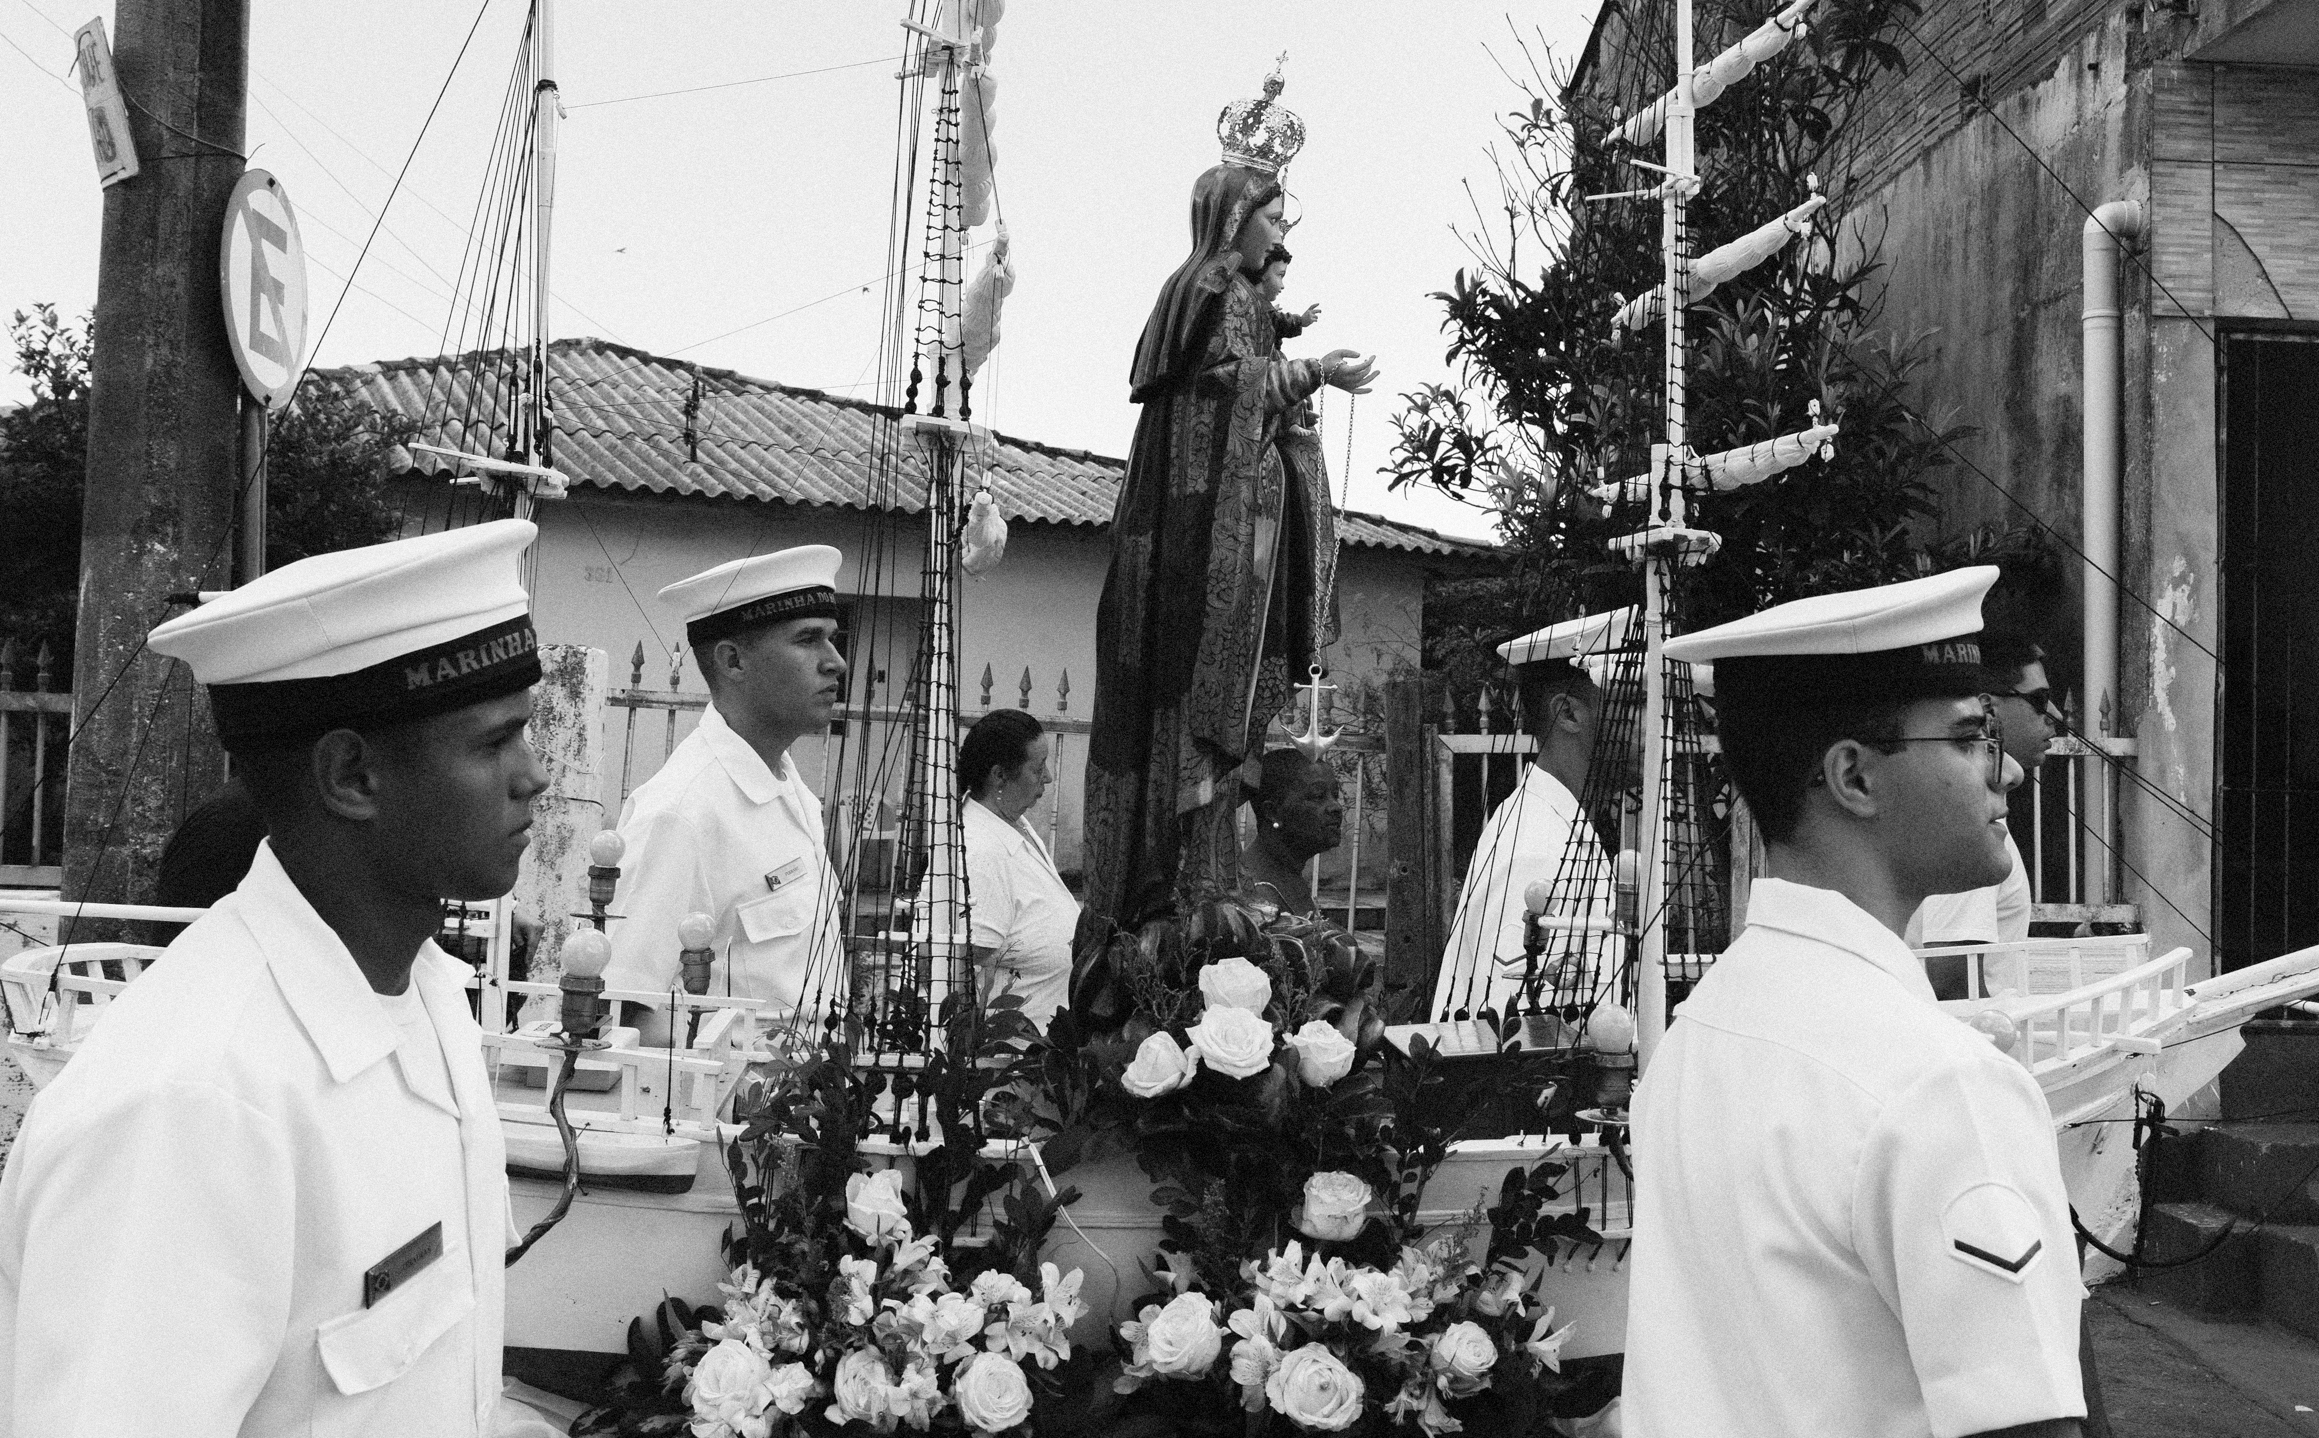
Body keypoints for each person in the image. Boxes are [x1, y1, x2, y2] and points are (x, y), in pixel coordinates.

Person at [0, 520, 549, 1436]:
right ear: (352, 777)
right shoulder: (194, 1105)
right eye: (495, 742)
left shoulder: (424, 995)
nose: (535, 776)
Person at [1629, 566, 2087, 1438]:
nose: (2004, 772)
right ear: (1854, 778)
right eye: (1968, 736)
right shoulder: (1938, 1086)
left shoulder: (1701, 1032)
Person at [1082, 154, 1376, 930]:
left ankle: (1210, 875)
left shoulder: (1228, 296)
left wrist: (1288, 354)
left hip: (1225, 527)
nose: (1278, 237)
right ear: (1233, 221)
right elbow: (1225, 387)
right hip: (1205, 537)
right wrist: (1311, 371)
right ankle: (1192, 879)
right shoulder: (1214, 290)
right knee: (1202, 713)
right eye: (1271, 221)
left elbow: (1236, 375)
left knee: (1222, 724)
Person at [602, 545, 848, 1045]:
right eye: (808, 640)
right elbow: (622, 1016)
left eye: (832, 638)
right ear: (733, 660)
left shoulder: (787, 784)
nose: (836, 662)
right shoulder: (683, 813)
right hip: (743, 1093)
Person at [1433, 608, 1631, 1021]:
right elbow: (1512, 1037)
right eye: (1637, 702)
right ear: (1569, 714)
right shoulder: (1538, 852)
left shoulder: (1558, 826)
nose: (1660, 722)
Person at [1910, 629, 2058, 968]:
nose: (2056, 715)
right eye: (2038, 699)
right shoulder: (1963, 814)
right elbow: (1953, 978)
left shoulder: (1981, 811)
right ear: (1988, 710)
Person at [959, 708, 1079, 1032]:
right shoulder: (980, 851)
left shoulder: (1013, 821)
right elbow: (960, 968)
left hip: (1043, 1046)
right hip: (1009, 1056)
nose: (1048, 777)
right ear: (999, 776)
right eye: (1038, 768)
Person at [1238, 746, 1344, 917]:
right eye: (1318, 796)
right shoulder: (1257, 893)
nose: (1336, 807)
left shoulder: (1287, 875)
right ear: (1272, 812)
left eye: (1335, 795)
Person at [1256, 244, 1322, 345]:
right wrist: (1300, 321)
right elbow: (1278, 321)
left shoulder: (1259, 305)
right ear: (1264, 273)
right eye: (1280, 275)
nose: (1282, 286)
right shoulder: (1260, 306)